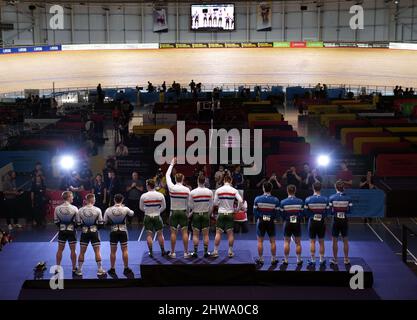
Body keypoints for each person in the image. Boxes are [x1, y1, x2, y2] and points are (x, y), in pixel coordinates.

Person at [75, 193, 106, 276]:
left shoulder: (80, 210)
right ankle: (100, 269)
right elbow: (101, 223)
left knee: (82, 252)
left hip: (84, 232)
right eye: (94, 199)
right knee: (97, 251)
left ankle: (79, 270)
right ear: (92, 200)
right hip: (94, 232)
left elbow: (78, 224)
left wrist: (84, 227)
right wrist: (95, 228)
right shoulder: (97, 209)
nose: (95, 200)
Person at [212, 174, 243, 258]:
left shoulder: (218, 190)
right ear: (231, 181)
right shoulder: (234, 190)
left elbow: (214, 203)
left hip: (221, 213)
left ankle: (215, 251)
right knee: (230, 234)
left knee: (218, 233)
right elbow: (241, 200)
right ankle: (230, 252)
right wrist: (237, 209)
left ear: (223, 181)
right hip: (230, 214)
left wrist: (220, 204)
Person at [165, 157, 191, 258]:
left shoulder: (171, 187)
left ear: (175, 179)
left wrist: (172, 164)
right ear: (183, 179)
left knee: (173, 233)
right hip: (183, 212)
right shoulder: (187, 190)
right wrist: (188, 214)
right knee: (185, 232)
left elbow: (167, 175)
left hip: (174, 213)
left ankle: (173, 253)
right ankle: (185, 253)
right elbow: (188, 204)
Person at [104, 194, 134, 276]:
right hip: (123, 231)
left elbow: (104, 221)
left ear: (114, 200)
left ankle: (112, 268)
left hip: (113, 231)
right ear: (122, 200)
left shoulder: (108, 210)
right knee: (124, 250)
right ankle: (126, 268)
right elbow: (132, 213)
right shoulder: (125, 208)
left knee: (113, 251)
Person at [253, 182, 280, 266]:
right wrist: (273, 218)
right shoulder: (275, 200)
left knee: (260, 241)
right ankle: (273, 259)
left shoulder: (257, 199)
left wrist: (259, 217)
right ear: (271, 189)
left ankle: (261, 259)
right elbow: (277, 213)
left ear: (263, 188)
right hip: (271, 222)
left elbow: (255, 212)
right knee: (272, 241)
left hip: (261, 221)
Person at [140, 179, 168, 257]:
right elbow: (164, 207)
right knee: (160, 234)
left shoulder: (143, 196)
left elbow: (141, 207)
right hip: (157, 216)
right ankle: (163, 251)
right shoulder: (160, 195)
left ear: (148, 186)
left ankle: (151, 253)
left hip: (147, 216)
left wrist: (147, 211)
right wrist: (158, 211)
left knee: (149, 235)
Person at [54, 191, 79, 275]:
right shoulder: (74, 208)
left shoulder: (57, 208)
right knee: (73, 250)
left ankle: (57, 268)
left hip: (62, 231)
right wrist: (72, 226)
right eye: (71, 196)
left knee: (60, 250)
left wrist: (62, 227)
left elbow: (56, 221)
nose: (73, 198)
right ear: (68, 197)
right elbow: (78, 222)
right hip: (71, 231)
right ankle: (74, 268)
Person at [189, 175, 213, 258]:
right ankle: (205, 253)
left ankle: (195, 253)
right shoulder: (209, 192)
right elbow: (211, 205)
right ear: (205, 181)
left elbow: (190, 206)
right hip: (205, 214)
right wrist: (208, 214)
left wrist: (196, 208)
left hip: (196, 215)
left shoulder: (192, 192)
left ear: (197, 181)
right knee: (205, 235)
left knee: (195, 235)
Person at [304, 182, 328, 267]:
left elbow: (306, 213)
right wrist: (321, 216)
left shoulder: (308, 199)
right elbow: (327, 212)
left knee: (312, 242)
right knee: (321, 242)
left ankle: (313, 260)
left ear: (313, 188)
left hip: (312, 222)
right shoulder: (325, 199)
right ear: (320, 188)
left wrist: (312, 216)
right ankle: (321, 260)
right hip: (321, 222)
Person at [329, 180, 352, 265]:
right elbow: (349, 211)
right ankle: (346, 259)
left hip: (335, 221)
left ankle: (335, 259)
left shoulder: (331, 198)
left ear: (336, 188)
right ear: (344, 188)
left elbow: (330, 211)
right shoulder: (348, 198)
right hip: (344, 221)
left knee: (334, 241)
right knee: (345, 241)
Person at [280, 184, 304, 265]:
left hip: (287, 223)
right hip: (296, 223)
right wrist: (297, 217)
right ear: (295, 191)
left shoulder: (283, 202)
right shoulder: (300, 201)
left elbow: (282, 214)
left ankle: (286, 260)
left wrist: (286, 218)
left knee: (286, 242)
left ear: (287, 191)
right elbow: (302, 214)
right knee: (298, 242)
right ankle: (299, 260)